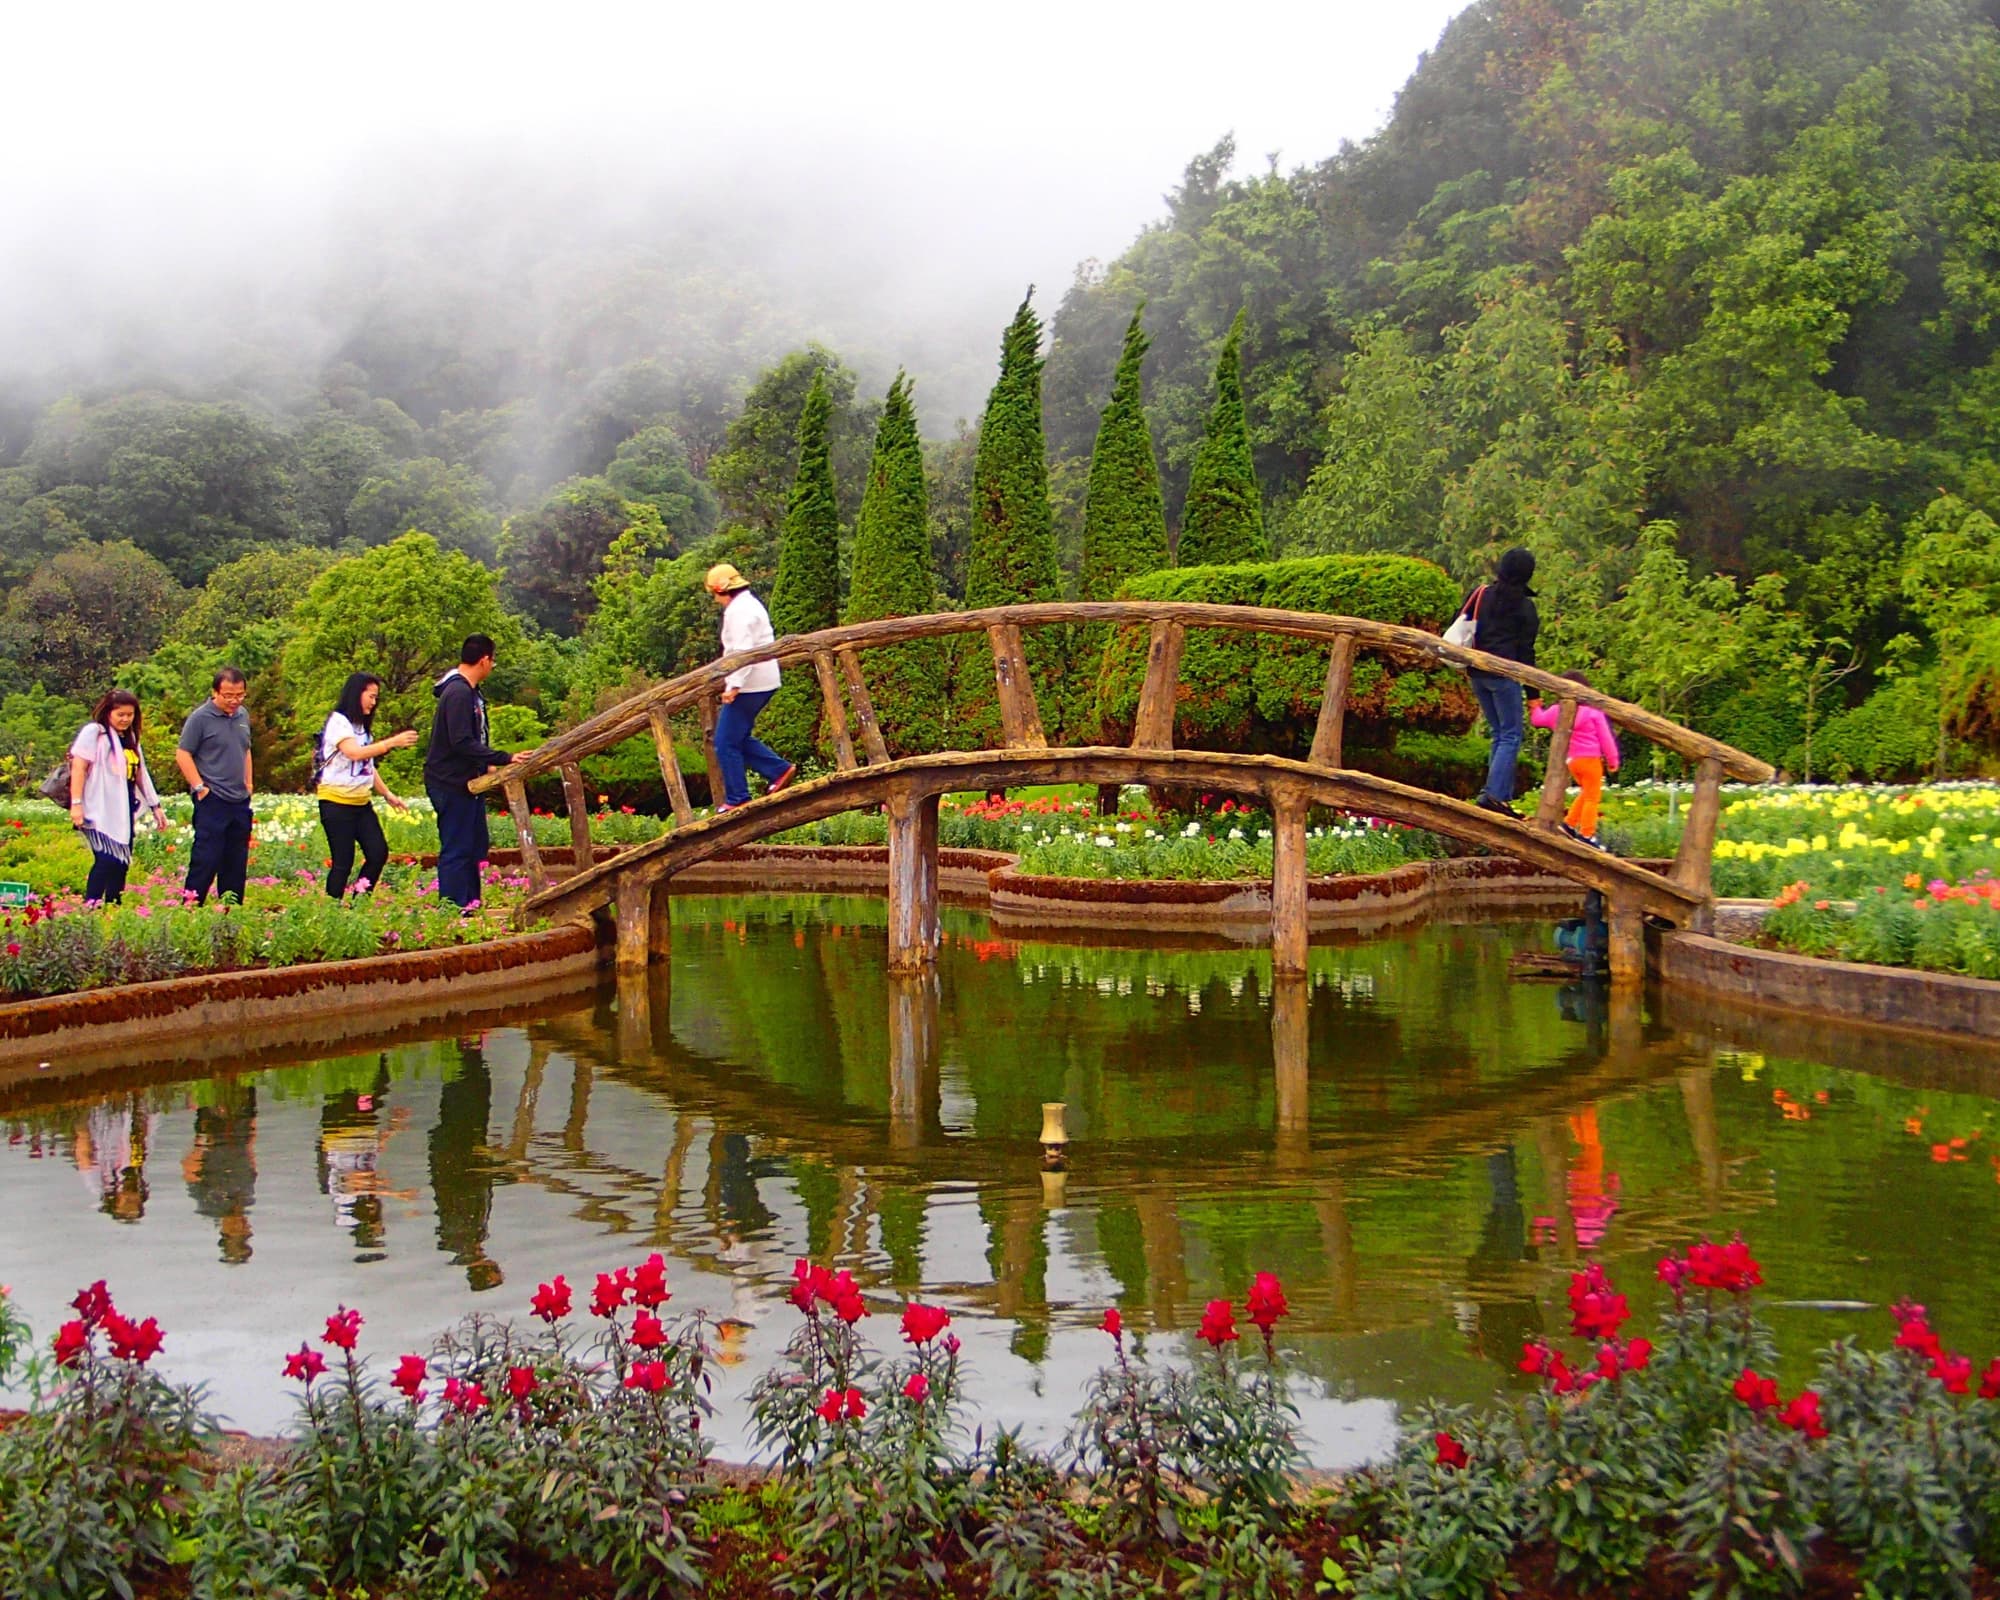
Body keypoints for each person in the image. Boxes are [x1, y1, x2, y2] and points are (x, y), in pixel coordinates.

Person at [424, 634, 529, 910]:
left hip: (467, 782)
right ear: (484, 660)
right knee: (457, 847)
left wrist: (487, 764)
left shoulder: (469, 692)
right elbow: (461, 741)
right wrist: (503, 757)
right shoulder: (458, 693)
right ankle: (453, 907)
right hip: (450, 782)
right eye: (492, 660)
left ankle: (470, 904)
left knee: (472, 847)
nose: (492, 667)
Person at [1454, 547, 1540, 817]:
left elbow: (1458, 623)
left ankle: (1496, 795)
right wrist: (1533, 694)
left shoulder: (1481, 594)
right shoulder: (1525, 608)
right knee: (1511, 735)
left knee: (1499, 733)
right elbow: (1526, 653)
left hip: (1477, 673)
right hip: (1504, 676)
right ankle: (1494, 796)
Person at [316, 672, 418, 898]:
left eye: (376, 698)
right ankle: (333, 913)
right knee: (343, 861)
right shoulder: (339, 721)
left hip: (361, 803)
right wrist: (391, 743)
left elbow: (367, 765)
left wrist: (388, 794)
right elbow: (353, 753)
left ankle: (358, 903)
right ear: (356, 694)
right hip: (336, 802)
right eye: (370, 696)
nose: (374, 702)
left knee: (378, 853)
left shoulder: (361, 726)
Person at [705, 563, 796, 812]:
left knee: (724, 741)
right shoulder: (749, 604)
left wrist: (733, 685)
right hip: (761, 681)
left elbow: (743, 652)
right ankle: (778, 769)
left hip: (751, 683)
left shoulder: (739, 611)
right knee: (737, 737)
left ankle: (737, 797)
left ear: (722, 591)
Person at [67, 688, 167, 904]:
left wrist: (155, 805)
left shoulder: (130, 738)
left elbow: (141, 774)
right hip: (98, 809)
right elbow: (79, 767)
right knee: (105, 859)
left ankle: (113, 907)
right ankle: (91, 906)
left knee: (121, 862)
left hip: (123, 810)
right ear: (108, 712)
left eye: (129, 715)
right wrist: (76, 804)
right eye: (120, 715)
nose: (125, 719)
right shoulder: (95, 733)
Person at [176, 667, 254, 904]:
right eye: (228, 695)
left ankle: (230, 911)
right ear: (215, 692)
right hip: (213, 798)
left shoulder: (242, 716)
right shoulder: (200, 718)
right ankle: (191, 907)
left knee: (236, 860)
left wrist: (249, 783)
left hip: (239, 799)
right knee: (206, 857)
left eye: (239, 695)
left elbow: (246, 749)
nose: (234, 701)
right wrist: (199, 787)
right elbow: (183, 753)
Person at [1530, 671, 1620, 848]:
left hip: (1572, 760)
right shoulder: (1593, 713)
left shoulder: (1556, 710)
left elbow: (1537, 720)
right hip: (1591, 758)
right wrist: (1613, 759)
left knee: (1586, 792)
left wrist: (1535, 707)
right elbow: (1606, 738)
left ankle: (1570, 824)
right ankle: (1587, 834)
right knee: (1592, 798)